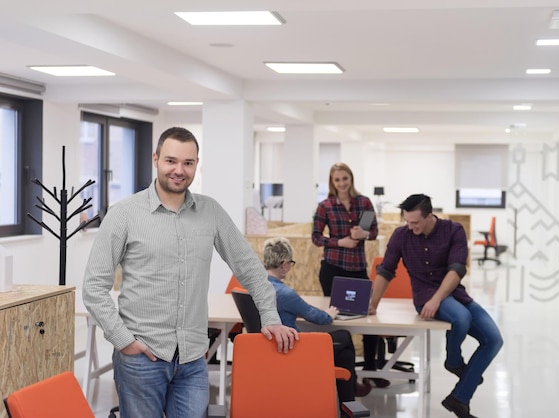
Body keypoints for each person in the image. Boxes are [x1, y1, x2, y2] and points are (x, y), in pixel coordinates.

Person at [82, 127, 298, 418]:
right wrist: (123, 340)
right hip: (141, 357)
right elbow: (94, 287)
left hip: (193, 358)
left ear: (197, 164)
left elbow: (249, 267)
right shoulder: (124, 214)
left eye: (188, 163)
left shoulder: (211, 212)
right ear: (156, 159)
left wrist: (270, 316)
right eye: (171, 161)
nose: (179, 170)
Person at [368, 194, 503, 418]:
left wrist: (437, 299)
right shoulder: (402, 235)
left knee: (494, 339)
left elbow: (458, 268)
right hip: (424, 297)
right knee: (461, 318)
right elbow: (386, 270)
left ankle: (458, 397)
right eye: (407, 222)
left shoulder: (453, 230)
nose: (410, 227)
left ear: (430, 216)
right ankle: (455, 363)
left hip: (452, 294)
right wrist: (373, 303)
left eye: (415, 223)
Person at [263, 237, 372, 401]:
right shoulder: (285, 294)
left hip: (266, 347)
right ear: (284, 265)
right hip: (293, 347)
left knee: (345, 355)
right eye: (291, 264)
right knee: (345, 337)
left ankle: (349, 396)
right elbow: (319, 318)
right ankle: (348, 402)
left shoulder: (256, 288)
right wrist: (330, 313)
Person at [311, 162, 388, 388]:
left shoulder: (363, 202)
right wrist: (339, 241)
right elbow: (316, 237)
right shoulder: (325, 206)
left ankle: (371, 369)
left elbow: (374, 232)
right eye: (337, 180)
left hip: (357, 268)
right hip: (332, 269)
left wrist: (364, 233)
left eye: (345, 178)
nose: (342, 183)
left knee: (368, 319)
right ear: (332, 182)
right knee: (336, 320)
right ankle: (343, 374)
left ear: (351, 178)